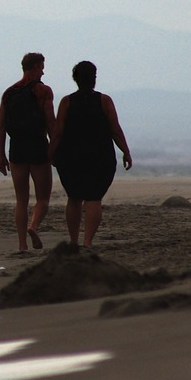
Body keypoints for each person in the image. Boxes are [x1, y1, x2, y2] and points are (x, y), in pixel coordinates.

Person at [49, 60, 132, 247]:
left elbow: (58, 131)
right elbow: (115, 129)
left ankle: (73, 241)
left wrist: (51, 153)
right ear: (94, 78)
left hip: (71, 157)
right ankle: (87, 241)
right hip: (99, 157)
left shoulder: (67, 102)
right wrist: (125, 151)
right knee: (94, 198)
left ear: (75, 79)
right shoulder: (104, 101)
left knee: (74, 197)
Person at [0, 52, 55, 251]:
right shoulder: (43, 91)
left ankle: (22, 245)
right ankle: (34, 226)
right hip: (38, 145)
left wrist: (1, 155)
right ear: (36, 67)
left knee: (21, 200)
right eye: (42, 67)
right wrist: (55, 148)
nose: (43, 71)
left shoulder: (9, 93)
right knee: (43, 199)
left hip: (17, 149)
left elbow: (1, 127)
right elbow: (50, 123)